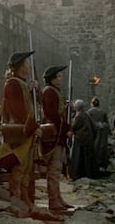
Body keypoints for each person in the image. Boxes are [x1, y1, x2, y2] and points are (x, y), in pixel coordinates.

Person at [0, 51, 40, 215]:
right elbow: (19, 110)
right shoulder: (13, 84)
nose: (28, 66)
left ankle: (24, 196)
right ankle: (16, 195)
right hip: (19, 130)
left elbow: (32, 104)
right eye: (26, 64)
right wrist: (34, 127)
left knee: (27, 167)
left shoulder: (21, 83)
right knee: (19, 167)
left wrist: (34, 90)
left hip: (26, 130)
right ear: (21, 66)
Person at [40, 65, 73, 212]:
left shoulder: (54, 92)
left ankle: (57, 197)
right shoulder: (49, 92)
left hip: (57, 134)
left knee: (57, 168)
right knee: (53, 170)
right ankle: (53, 200)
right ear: (52, 79)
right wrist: (65, 129)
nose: (61, 79)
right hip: (53, 135)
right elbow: (53, 115)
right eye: (58, 76)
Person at [68, 99, 95, 180]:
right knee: (86, 159)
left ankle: (77, 174)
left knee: (78, 158)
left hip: (79, 139)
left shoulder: (78, 116)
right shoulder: (86, 115)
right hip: (87, 139)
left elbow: (73, 127)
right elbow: (94, 126)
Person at [87, 96, 111, 177]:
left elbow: (87, 124)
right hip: (102, 134)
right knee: (102, 149)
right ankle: (102, 166)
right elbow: (107, 124)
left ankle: (93, 166)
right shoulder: (103, 112)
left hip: (93, 134)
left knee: (94, 149)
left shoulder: (89, 112)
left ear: (92, 104)